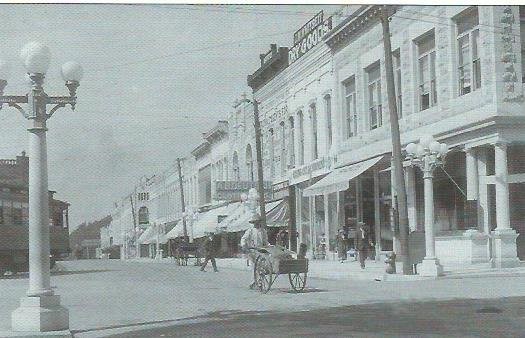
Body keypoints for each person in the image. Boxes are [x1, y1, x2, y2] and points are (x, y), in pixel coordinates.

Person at [240, 214, 269, 288]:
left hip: (261, 251)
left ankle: (257, 281)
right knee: (254, 267)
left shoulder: (263, 231)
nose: (257, 223)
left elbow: (265, 241)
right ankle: (255, 282)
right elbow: (243, 239)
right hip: (253, 251)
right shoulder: (250, 231)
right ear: (253, 223)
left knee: (261, 267)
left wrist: (269, 247)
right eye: (255, 222)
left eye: (258, 222)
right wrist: (243, 245)